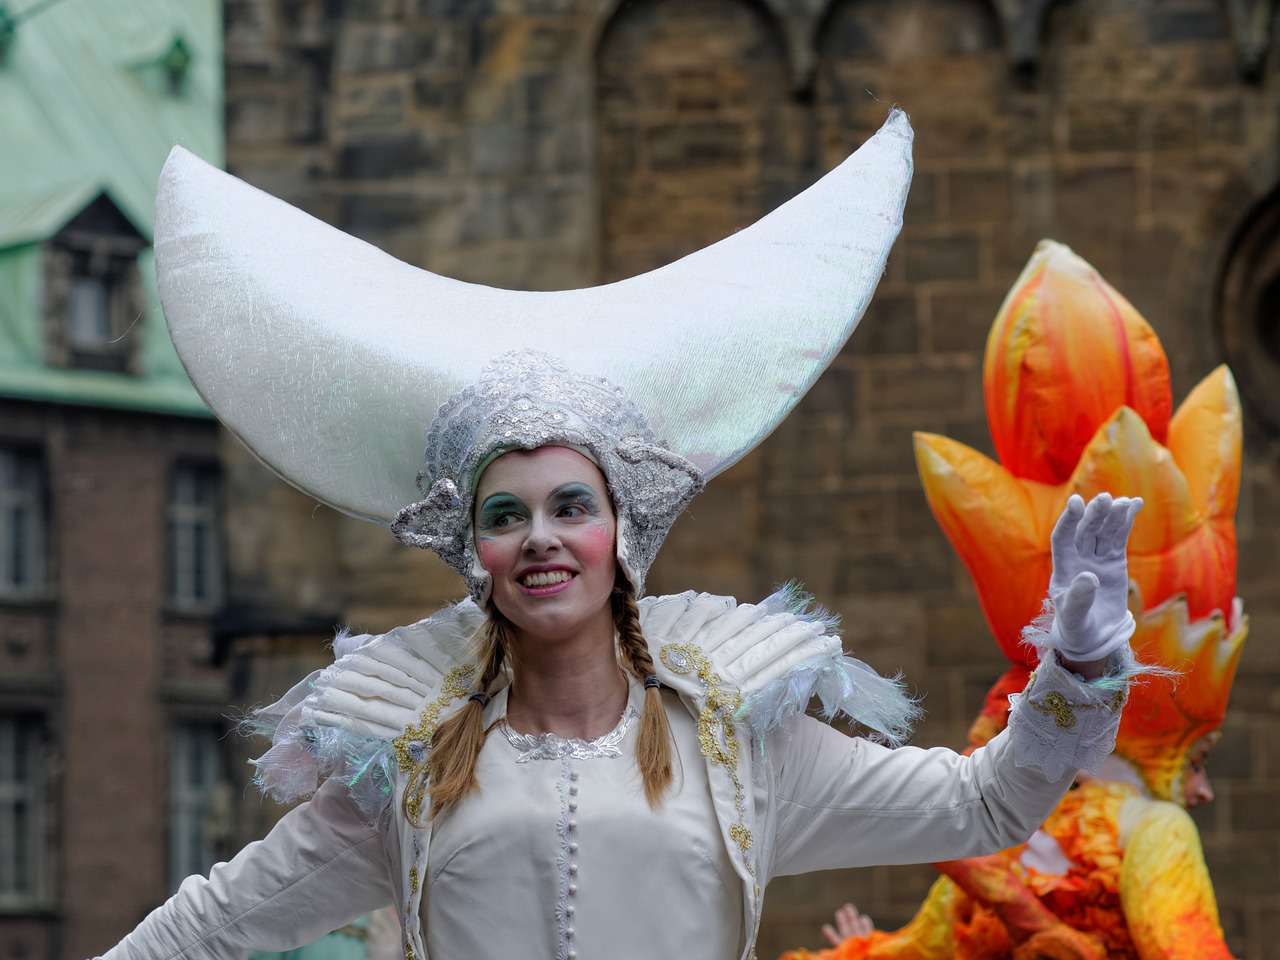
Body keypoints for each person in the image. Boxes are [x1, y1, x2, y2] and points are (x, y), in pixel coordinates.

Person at [97, 113, 1144, 960]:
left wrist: (1080, 665)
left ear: (618, 535)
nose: (540, 538)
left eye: (569, 507)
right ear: (478, 556)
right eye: (504, 516)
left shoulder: (741, 740)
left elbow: (985, 804)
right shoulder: (406, 762)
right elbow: (214, 923)